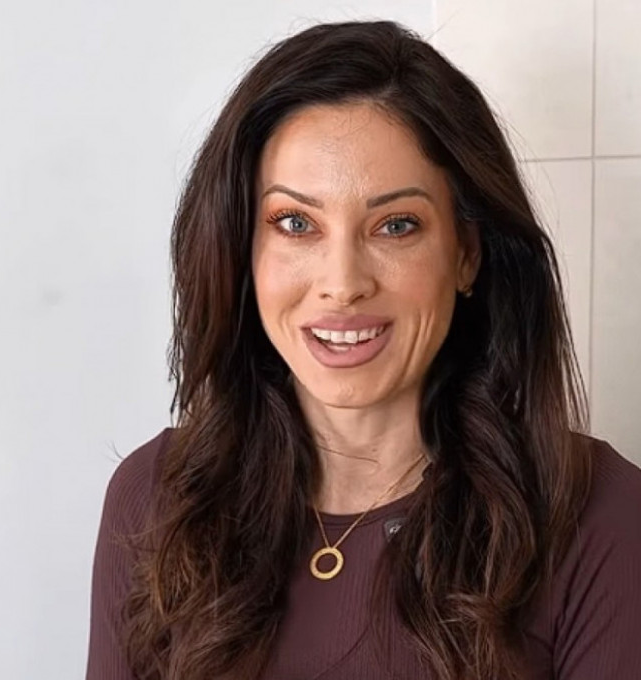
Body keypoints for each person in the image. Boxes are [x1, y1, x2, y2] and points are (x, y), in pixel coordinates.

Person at [85, 20, 641, 680]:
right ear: (242, 248)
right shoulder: (154, 500)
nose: (343, 283)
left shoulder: (599, 516)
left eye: (395, 225)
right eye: (296, 223)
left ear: (466, 253)